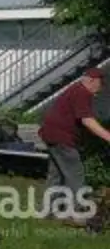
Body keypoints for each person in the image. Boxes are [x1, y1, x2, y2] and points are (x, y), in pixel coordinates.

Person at [38, 68, 109, 226]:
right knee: (76, 174)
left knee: (55, 176)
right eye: (99, 84)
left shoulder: (77, 89)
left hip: (51, 134)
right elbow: (87, 119)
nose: (100, 88)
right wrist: (108, 137)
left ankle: (46, 212)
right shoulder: (81, 92)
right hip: (61, 136)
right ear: (91, 81)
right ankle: (79, 214)